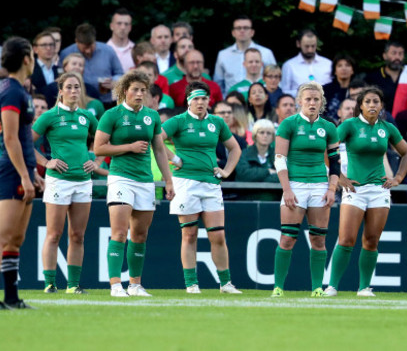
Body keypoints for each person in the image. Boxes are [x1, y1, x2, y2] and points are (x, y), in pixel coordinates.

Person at [324, 86, 407, 297]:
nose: (372, 105)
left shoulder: (387, 128)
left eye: (376, 101)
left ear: (382, 105)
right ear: (360, 106)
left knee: (371, 240)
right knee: (346, 239)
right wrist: (339, 177)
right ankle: (332, 286)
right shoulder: (349, 125)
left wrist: (398, 178)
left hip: (379, 190)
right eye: (368, 102)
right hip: (355, 189)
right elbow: (328, 149)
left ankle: (364, 287)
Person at [94, 70, 174, 297]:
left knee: (139, 235)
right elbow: (99, 148)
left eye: (143, 90)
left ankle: (135, 284)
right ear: (124, 91)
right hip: (120, 177)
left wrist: (168, 180)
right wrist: (128, 147)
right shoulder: (112, 115)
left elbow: (159, 149)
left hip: (145, 181)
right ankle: (115, 285)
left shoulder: (152, 116)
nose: (139, 94)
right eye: (135, 90)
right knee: (119, 232)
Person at [161, 81, 242, 293]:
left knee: (218, 235)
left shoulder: (217, 122)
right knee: (189, 235)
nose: (200, 102)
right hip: (185, 183)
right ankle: (191, 283)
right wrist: (174, 158)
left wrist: (226, 171)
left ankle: (225, 283)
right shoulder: (177, 121)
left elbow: (234, 149)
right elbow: (156, 139)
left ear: (209, 100)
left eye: (204, 98)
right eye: (196, 98)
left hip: (211, 183)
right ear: (188, 100)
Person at [0, 37, 39, 310]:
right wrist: (25, 176)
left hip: (22, 170)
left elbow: (23, 138)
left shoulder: (18, 90)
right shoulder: (11, 91)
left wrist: (32, 174)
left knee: (16, 238)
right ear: (26, 58)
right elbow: (11, 139)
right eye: (33, 54)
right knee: (0, 235)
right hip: (11, 171)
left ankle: (12, 298)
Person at [32, 72, 99, 294]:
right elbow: (26, 142)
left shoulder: (87, 117)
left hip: (82, 182)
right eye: (69, 87)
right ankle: (50, 283)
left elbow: (104, 139)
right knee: (54, 234)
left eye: (77, 87)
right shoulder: (50, 116)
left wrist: (95, 160)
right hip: (59, 181)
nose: (73, 91)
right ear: (60, 91)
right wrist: (45, 161)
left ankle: (73, 285)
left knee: (77, 235)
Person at [271, 81, 340, 297]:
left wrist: (332, 189)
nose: (312, 103)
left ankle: (317, 288)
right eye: (308, 99)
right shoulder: (288, 124)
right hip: (295, 185)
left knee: (318, 239)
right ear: (299, 101)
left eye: (316, 99)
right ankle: (278, 287)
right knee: (288, 238)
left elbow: (335, 163)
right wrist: (287, 189)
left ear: (322, 102)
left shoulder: (329, 127)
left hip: (320, 185)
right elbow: (280, 159)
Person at [59, 23, 124, 106]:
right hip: (78, 102)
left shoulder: (108, 50)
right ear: (76, 41)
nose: (88, 51)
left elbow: (120, 73)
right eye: (84, 48)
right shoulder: (66, 53)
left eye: (91, 46)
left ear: (94, 40)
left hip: (106, 101)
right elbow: (60, 76)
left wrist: (114, 81)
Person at [214, 15, 276, 96]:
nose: (242, 31)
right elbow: (218, 84)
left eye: (246, 28)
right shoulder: (223, 55)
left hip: (262, 102)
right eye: (238, 28)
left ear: (252, 32)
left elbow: (275, 79)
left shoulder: (266, 53)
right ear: (233, 32)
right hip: (232, 103)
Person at [281, 29, 332, 96]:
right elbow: (285, 92)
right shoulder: (289, 66)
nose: (310, 50)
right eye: (306, 46)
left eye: (313, 46)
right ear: (298, 44)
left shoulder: (328, 64)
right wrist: (303, 92)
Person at [364, 41, 407, 113]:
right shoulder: (373, 77)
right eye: (394, 53)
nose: (397, 57)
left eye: (400, 54)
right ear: (384, 56)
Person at [236, 119, 279, 185]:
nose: (265, 135)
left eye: (269, 133)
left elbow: (283, 177)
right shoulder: (245, 153)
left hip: (272, 194)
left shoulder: (278, 155)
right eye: (261, 132)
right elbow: (243, 175)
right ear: (255, 135)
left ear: (273, 137)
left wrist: (256, 178)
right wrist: (268, 171)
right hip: (249, 194)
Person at [323, 54, 356, 121]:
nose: (344, 68)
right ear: (335, 71)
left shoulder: (358, 90)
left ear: (352, 70)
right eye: (339, 66)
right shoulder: (325, 90)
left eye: (347, 65)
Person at [107, 8, 135, 73]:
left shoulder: (136, 51)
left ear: (130, 27)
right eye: (119, 23)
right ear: (111, 26)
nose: (123, 27)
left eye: (126, 24)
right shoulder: (103, 51)